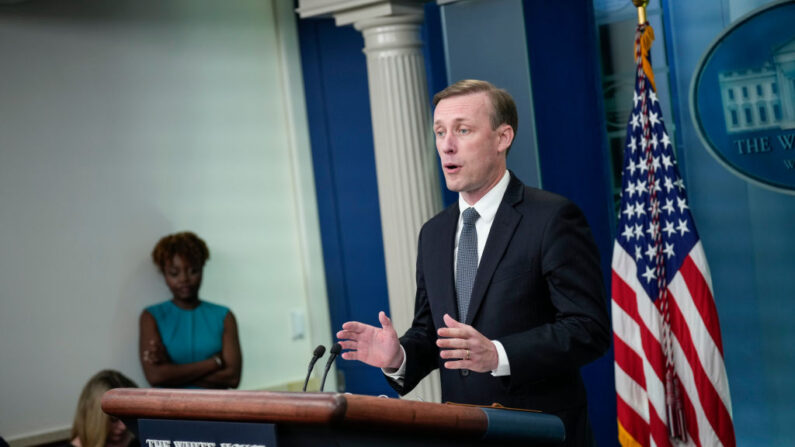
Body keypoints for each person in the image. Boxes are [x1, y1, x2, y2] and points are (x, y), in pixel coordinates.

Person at [336, 80, 610, 446]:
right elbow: (432, 333)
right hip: (462, 432)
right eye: (440, 132)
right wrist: (399, 355)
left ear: (503, 138)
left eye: (463, 130)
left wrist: (498, 354)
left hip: (539, 433)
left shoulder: (552, 218)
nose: (447, 145)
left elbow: (588, 329)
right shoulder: (433, 233)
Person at [139, 231, 242, 388]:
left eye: (193, 271)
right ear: (164, 275)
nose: (184, 279)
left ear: (202, 269)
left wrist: (171, 368)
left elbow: (233, 378)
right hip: (169, 410)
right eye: (174, 273)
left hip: (216, 409)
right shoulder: (151, 316)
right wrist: (215, 362)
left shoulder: (224, 316)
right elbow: (155, 376)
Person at [68, 369, 138, 447]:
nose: (123, 427)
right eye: (113, 419)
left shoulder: (134, 441)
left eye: (128, 417)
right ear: (94, 418)